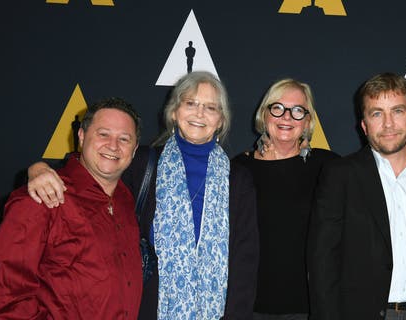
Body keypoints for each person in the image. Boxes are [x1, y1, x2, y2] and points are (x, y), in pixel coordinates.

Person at [26, 71, 259, 320]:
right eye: (190, 103)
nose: (199, 113)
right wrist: (38, 170)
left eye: (210, 107)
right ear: (174, 112)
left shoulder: (238, 179)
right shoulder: (143, 163)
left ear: (221, 120)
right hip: (146, 310)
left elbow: (245, 260)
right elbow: (93, 173)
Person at [0, 97, 143, 319]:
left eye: (124, 139)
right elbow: (4, 287)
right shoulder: (42, 195)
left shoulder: (126, 199)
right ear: (82, 136)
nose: (113, 146)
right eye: (103, 134)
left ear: (134, 150)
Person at [308, 72, 406, 320]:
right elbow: (322, 262)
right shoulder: (340, 175)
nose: (388, 124)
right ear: (364, 125)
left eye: (397, 111)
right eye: (377, 113)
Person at [232, 79, 339, 319]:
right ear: (264, 114)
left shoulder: (328, 166)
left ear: (308, 121)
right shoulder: (239, 168)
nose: (287, 117)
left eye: (298, 110)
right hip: (249, 306)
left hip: (307, 308)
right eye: (278, 107)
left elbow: (374, 172)